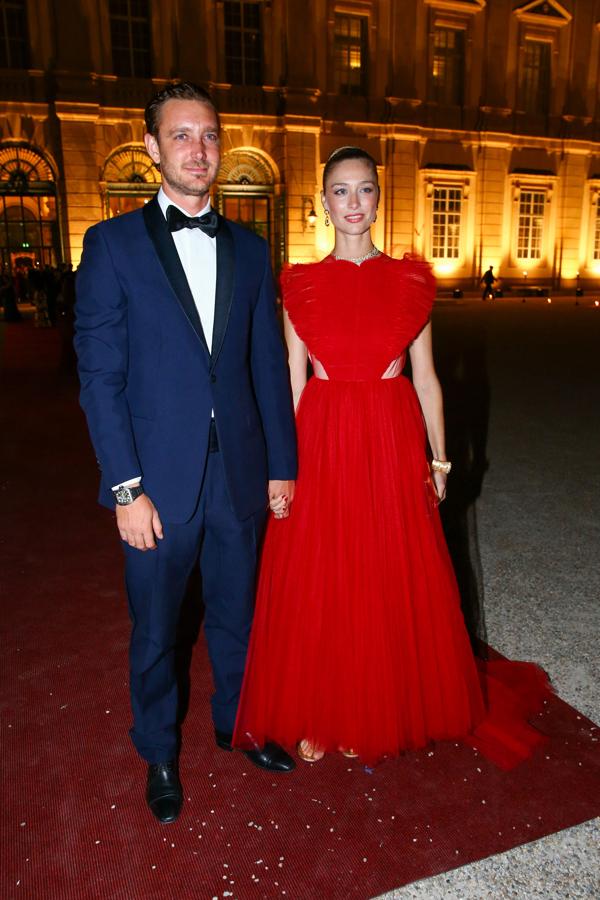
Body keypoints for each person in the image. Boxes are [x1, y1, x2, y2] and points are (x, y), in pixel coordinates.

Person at [233, 146, 551, 767]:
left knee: (381, 571)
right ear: (324, 204)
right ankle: (319, 708)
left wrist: (439, 461)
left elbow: (427, 379)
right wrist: (285, 467)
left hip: (388, 435)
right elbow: (293, 383)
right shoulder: (298, 283)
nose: (354, 203)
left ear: (379, 198)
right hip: (322, 437)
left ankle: (371, 706)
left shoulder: (410, 281)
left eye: (365, 190)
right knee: (322, 575)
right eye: (341, 192)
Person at [74, 81, 298, 825]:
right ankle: (158, 752)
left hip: (237, 471)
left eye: (208, 136)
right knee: (158, 627)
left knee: (239, 612)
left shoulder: (252, 249)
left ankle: (236, 722)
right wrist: (124, 489)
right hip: (155, 486)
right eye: (181, 136)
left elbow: (267, 366)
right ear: (152, 149)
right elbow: (100, 377)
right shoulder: (111, 245)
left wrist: (281, 465)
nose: (198, 150)